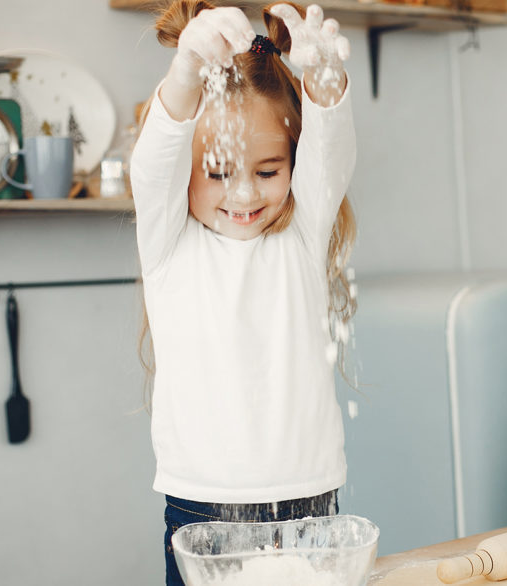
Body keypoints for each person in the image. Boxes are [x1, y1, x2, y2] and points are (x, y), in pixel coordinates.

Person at [129, 0, 356, 583]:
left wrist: (324, 80)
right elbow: (152, 165)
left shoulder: (303, 237)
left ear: (292, 163)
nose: (243, 194)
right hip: (201, 509)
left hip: (309, 501)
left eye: (267, 170)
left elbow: (331, 157)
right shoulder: (168, 244)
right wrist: (185, 74)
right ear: (187, 168)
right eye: (218, 170)